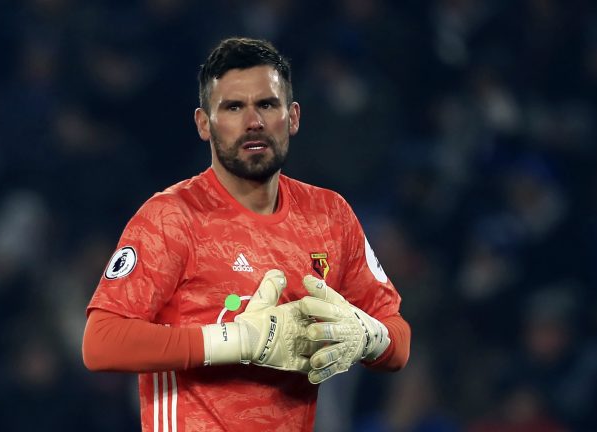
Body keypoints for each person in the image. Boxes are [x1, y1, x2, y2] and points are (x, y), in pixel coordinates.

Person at [82, 37, 411, 432]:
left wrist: (366, 336)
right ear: (204, 124)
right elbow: (101, 342)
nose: (253, 121)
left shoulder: (330, 215)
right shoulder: (172, 217)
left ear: (293, 117)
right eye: (234, 107)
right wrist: (236, 341)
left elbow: (398, 339)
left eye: (267, 104)